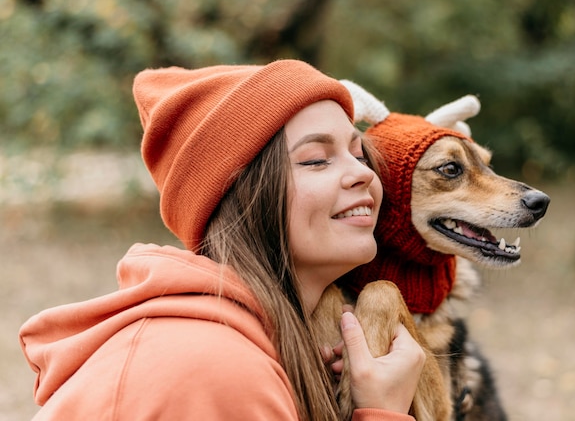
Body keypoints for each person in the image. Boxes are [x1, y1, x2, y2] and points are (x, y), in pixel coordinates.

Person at [19, 60, 425, 420]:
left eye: (359, 154)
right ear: (241, 197)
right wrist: (382, 413)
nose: (364, 174)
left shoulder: (272, 348)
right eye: (316, 159)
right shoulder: (212, 367)